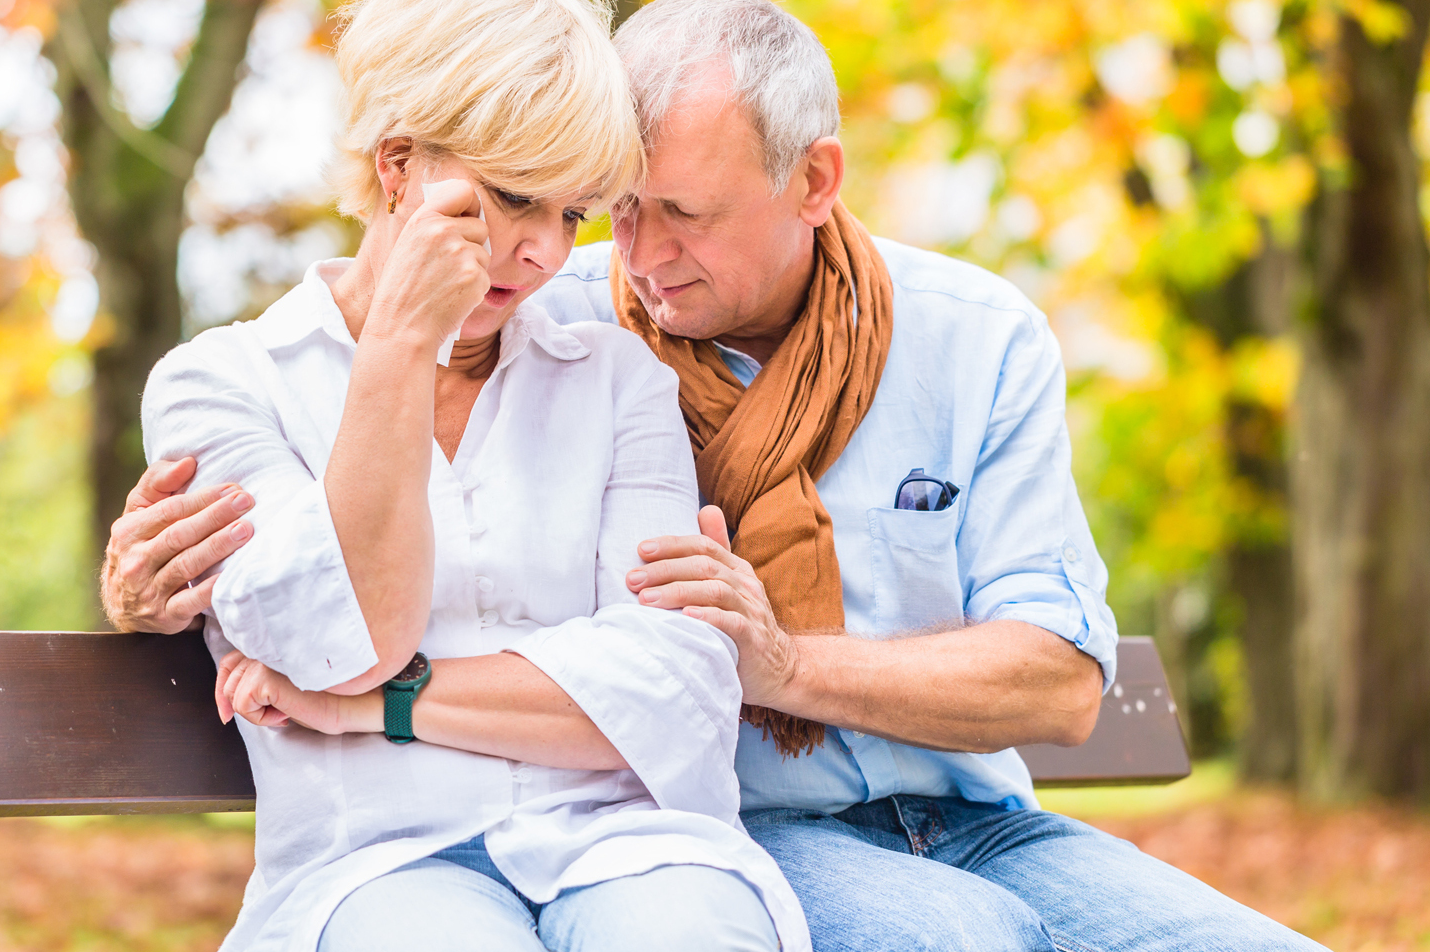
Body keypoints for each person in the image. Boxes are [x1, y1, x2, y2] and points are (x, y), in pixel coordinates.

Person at [112, 1, 1328, 950]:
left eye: (667, 213)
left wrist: (783, 665)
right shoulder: (573, 308)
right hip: (744, 829)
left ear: (813, 181)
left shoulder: (967, 337)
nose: (621, 257)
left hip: (975, 818)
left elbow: (1059, 681)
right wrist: (153, 585)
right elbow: (312, 579)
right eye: (616, 212)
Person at [135, 1, 804, 950]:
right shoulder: (222, 386)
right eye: (511, 196)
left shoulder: (617, 383)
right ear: (397, 166)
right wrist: (403, 343)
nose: (543, 252)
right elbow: (344, 641)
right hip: (376, 865)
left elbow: (671, 692)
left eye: (570, 213)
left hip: (628, 849)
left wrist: (377, 706)